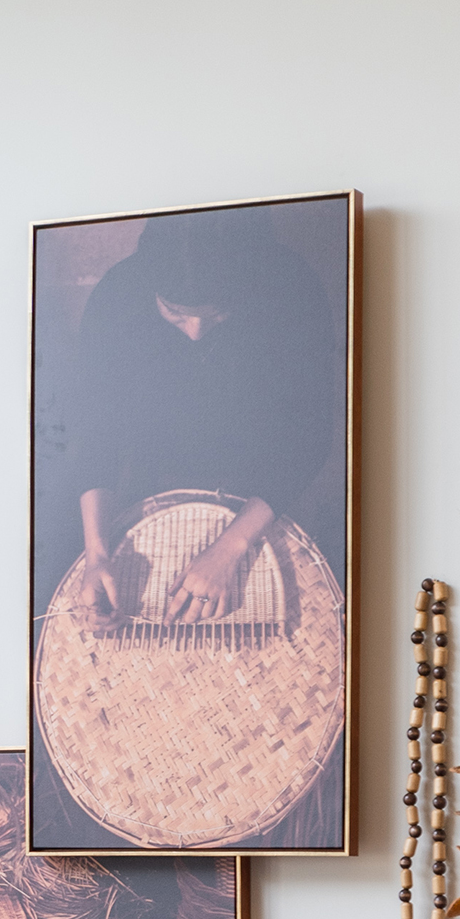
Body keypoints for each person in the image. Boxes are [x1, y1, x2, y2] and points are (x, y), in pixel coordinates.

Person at [66, 206, 338, 626]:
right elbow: (93, 430)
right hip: (150, 486)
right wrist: (97, 553)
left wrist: (230, 549)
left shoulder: (292, 289)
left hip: (270, 492)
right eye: (174, 313)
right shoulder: (118, 296)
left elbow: (310, 434)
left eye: (216, 314)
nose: (194, 332)